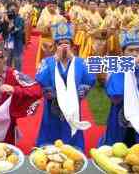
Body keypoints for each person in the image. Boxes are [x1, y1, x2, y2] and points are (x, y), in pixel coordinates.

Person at [35, 22, 96, 151]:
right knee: (50, 131)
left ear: (72, 46)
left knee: (71, 134)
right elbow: (39, 79)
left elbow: (90, 79)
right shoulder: (47, 62)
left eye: (67, 43)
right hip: (53, 108)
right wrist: (54, 60)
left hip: (73, 108)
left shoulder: (80, 62)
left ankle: (73, 147)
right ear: (55, 46)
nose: (63, 46)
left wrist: (81, 91)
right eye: (59, 43)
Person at [99, 30, 139, 147]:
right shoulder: (115, 68)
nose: (135, 54)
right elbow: (116, 95)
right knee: (116, 154)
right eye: (130, 50)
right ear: (122, 53)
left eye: (138, 50)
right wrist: (133, 63)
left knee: (137, 155)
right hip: (120, 121)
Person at [0, 2, 25, 71]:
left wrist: (12, 24)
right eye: (11, 10)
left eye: (14, 10)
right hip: (7, 45)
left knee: (18, 64)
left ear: (17, 10)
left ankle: (18, 79)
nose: (13, 12)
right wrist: (2, 21)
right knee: (7, 65)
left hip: (17, 45)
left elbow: (19, 33)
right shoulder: (5, 18)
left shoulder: (20, 19)